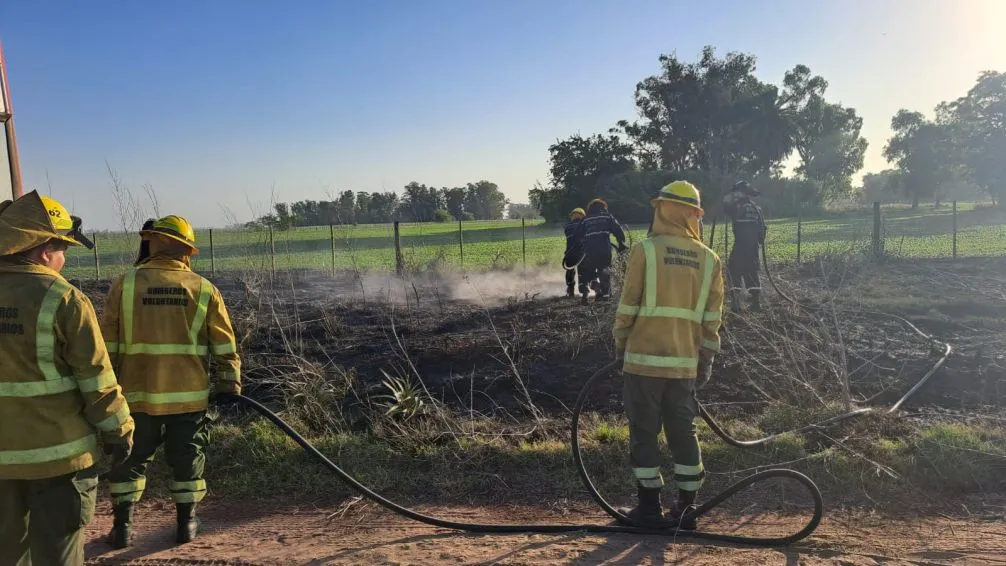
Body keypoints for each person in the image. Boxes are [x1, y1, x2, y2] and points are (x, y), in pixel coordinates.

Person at [0, 190, 134, 566]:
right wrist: (119, 432)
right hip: (60, 463)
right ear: (44, 249)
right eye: (63, 250)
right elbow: (97, 381)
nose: (63, 259)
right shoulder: (64, 299)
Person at [102, 215, 242, 548]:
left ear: (154, 241)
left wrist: (105, 392)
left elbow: (106, 347)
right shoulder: (203, 289)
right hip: (188, 400)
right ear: (184, 250)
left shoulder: (125, 284)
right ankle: (187, 524)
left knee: (129, 460)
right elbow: (224, 345)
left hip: (136, 396)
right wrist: (229, 386)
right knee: (188, 458)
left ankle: (122, 528)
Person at [612, 180, 724, 529]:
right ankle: (687, 510)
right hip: (685, 366)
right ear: (693, 214)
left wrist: (620, 344)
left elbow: (628, 305)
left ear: (662, 209)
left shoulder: (645, 251)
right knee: (683, 433)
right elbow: (713, 317)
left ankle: (648, 508)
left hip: (643, 362)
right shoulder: (710, 259)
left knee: (644, 433)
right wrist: (707, 356)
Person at [721, 180, 767, 312]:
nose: (734, 195)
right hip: (753, 248)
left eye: (736, 193)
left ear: (741, 193)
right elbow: (763, 229)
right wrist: (758, 241)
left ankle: (735, 304)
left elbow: (726, 208)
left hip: (740, 246)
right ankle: (756, 303)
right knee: (751, 272)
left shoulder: (738, 207)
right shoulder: (756, 209)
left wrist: (726, 200)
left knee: (733, 271)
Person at [574, 198, 626, 303]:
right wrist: (621, 243)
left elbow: (577, 235)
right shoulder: (607, 216)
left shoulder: (586, 219)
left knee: (590, 271)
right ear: (603, 207)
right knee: (604, 270)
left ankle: (595, 290)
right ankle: (606, 294)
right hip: (604, 248)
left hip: (589, 250)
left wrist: (581, 245)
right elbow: (618, 230)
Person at [562, 207, 586, 297]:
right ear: (582, 216)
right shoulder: (584, 225)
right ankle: (584, 291)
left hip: (570, 253)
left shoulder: (567, 227)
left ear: (572, 216)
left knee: (570, 270)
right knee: (582, 270)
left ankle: (570, 290)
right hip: (582, 253)